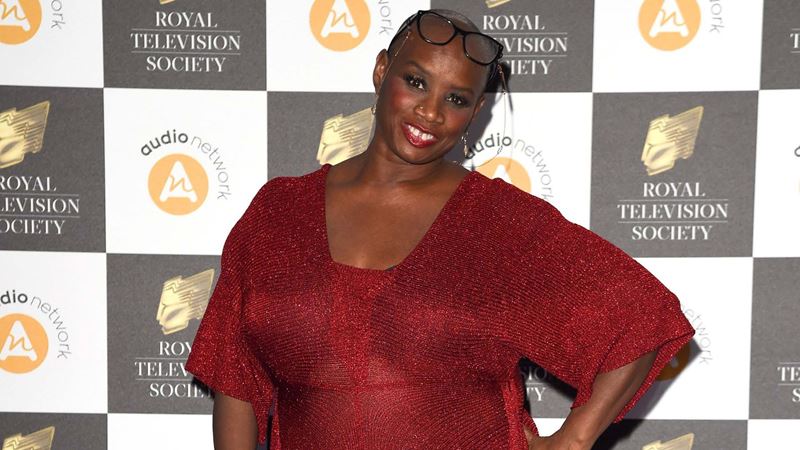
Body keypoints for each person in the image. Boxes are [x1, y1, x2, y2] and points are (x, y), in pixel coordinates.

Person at [185, 9, 695, 450]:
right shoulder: (278, 211)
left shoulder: (498, 224)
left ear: (476, 111)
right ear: (382, 71)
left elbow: (642, 319)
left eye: (456, 99)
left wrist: (575, 439)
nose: (430, 112)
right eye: (416, 81)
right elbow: (237, 378)